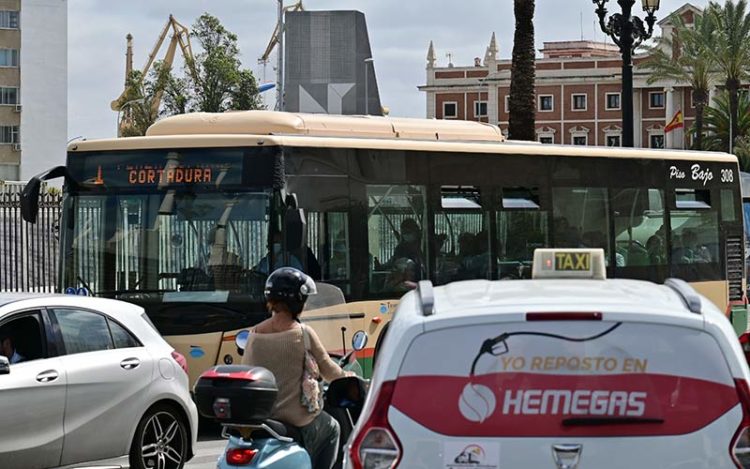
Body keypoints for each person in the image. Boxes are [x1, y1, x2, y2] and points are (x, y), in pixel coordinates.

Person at [241, 267, 349, 469]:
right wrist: (350, 377)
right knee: (333, 427)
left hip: (265, 420)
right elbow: (329, 370)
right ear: (298, 300)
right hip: (297, 420)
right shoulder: (302, 333)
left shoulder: (254, 334)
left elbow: (246, 372)